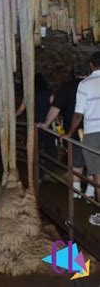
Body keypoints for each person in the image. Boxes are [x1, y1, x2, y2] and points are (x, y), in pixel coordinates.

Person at [39, 63, 88, 198]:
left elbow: (56, 107)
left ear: (74, 73)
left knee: (76, 162)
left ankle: (76, 194)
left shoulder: (67, 87)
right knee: (93, 163)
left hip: (74, 130)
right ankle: (90, 193)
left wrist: (46, 123)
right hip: (94, 128)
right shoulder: (94, 85)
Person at [63, 52, 100, 226]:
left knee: (97, 172)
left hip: (93, 132)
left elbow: (79, 113)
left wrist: (69, 133)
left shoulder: (85, 84)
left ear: (91, 65)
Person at [16, 73, 56, 174]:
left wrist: (12, 117)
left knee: (33, 147)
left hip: (33, 125)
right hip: (46, 124)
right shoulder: (49, 93)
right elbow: (54, 107)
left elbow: (21, 109)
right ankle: (48, 170)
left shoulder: (28, 94)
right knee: (50, 149)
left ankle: (34, 169)